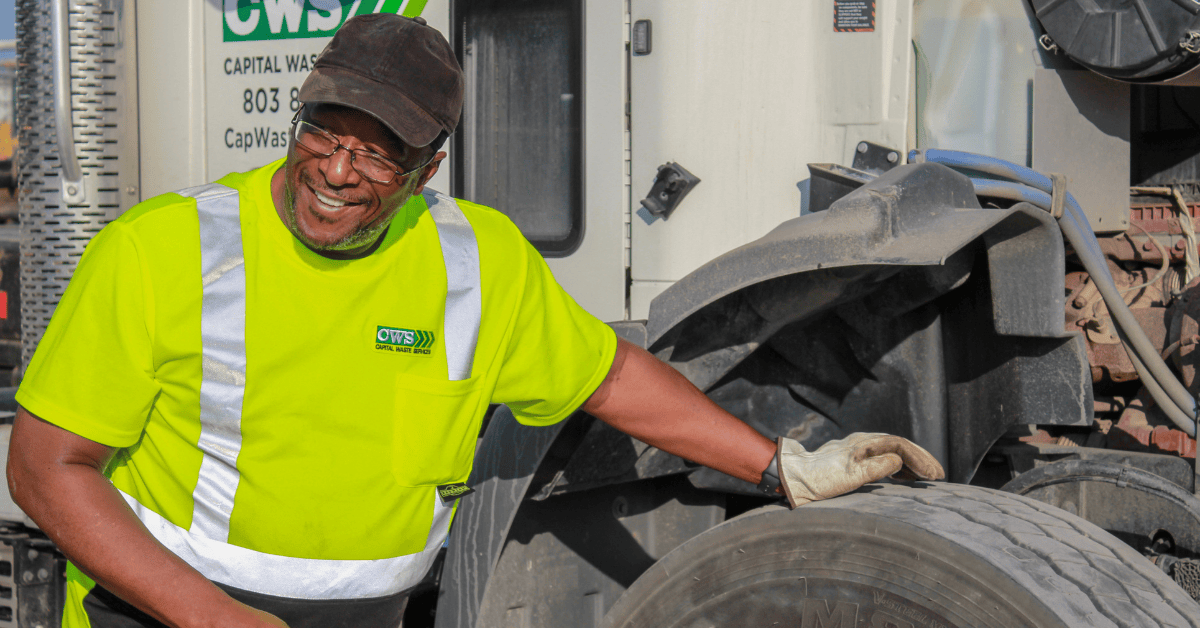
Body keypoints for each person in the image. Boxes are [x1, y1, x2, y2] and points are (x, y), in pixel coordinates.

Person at [6, 14, 943, 628]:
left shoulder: (475, 258)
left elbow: (608, 378)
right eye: (326, 134)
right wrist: (213, 618)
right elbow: (46, 468)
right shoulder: (163, 251)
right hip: (164, 615)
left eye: (379, 157)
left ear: (428, 167)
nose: (337, 172)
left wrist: (782, 465)